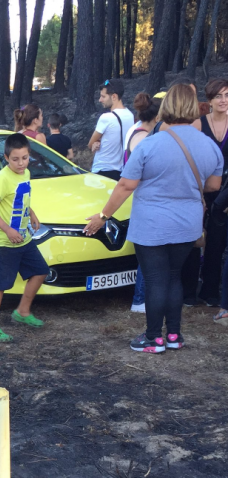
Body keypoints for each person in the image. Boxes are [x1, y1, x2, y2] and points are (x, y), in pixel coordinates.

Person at [83, 84, 223, 353]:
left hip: (152, 224)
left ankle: (152, 338)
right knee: (173, 277)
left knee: (156, 279)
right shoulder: (208, 145)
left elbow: (125, 185)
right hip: (188, 224)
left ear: (167, 107)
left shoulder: (150, 144)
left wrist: (103, 216)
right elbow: (214, 185)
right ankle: (174, 335)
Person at [0, 133, 49, 342]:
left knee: (40, 272)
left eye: (25, 158)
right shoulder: (2, 179)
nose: (21, 163)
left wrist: (32, 214)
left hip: (24, 238)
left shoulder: (26, 173)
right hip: (3, 242)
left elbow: (21, 198)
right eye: (15, 159)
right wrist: (7, 230)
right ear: (6, 158)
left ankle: (22, 311)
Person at [121, 93, 162, 313]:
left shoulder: (138, 133)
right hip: (142, 199)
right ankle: (140, 300)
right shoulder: (144, 138)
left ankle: (142, 299)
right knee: (148, 255)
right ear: (157, 118)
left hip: (140, 198)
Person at [195, 78, 228, 316]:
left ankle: (211, 291)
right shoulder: (199, 124)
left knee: (217, 242)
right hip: (201, 189)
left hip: (226, 193)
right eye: (218, 96)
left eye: (227, 95)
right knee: (195, 239)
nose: (223, 100)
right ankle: (190, 287)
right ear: (210, 100)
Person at [87, 79, 135, 181]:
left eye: (103, 96)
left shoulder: (106, 118)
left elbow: (90, 144)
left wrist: (96, 142)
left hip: (102, 170)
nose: (100, 100)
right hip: (122, 171)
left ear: (114, 96)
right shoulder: (130, 116)